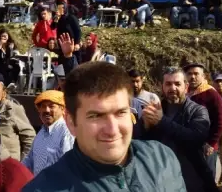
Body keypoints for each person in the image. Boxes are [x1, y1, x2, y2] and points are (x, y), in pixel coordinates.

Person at [23, 62, 187, 192]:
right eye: (95, 116)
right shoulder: (44, 188)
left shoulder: (162, 159)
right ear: (71, 122)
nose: (112, 129)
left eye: (120, 113)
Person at [141, 67, 218, 192]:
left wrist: (162, 121)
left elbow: (195, 138)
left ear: (186, 87)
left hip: (191, 178)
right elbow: (139, 141)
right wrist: (144, 126)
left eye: (177, 84)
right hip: (161, 177)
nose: (172, 88)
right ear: (162, 87)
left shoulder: (198, 111)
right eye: (168, 84)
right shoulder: (155, 109)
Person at [183, 63, 222, 182]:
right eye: (189, 74)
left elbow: (221, 120)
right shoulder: (185, 94)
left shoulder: (211, 94)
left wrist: (211, 143)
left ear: (203, 76)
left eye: (196, 74)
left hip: (205, 147)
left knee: (206, 181)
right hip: (188, 146)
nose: (192, 77)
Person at [0, 71, 35, 161]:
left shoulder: (12, 109)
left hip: (8, 165)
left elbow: (29, 137)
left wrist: (23, 164)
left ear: (3, 90)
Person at [22, 90, 75, 176]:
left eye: (51, 106)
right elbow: (29, 160)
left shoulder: (67, 132)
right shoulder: (41, 132)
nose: (46, 110)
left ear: (62, 109)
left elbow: (69, 167)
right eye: (43, 106)